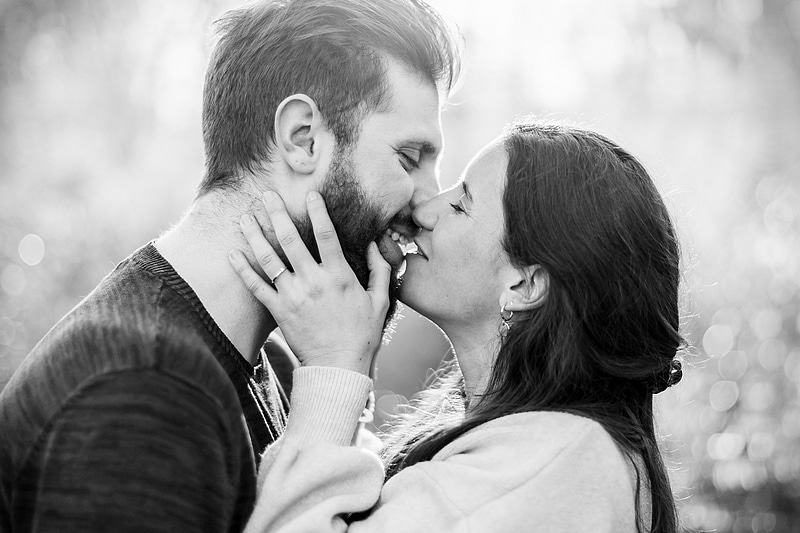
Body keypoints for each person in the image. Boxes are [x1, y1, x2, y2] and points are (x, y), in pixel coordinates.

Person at [0, 0, 460, 530]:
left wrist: (340, 377)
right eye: (409, 158)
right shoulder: (145, 392)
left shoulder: (280, 374)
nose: (428, 202)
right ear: (302, 137)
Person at [230, 120, 686, 532]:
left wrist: (334, 365)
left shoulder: (538, 472)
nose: (426, 210)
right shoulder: (548, 454)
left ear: (525, 284)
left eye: (462, 204)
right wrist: (352, 364)